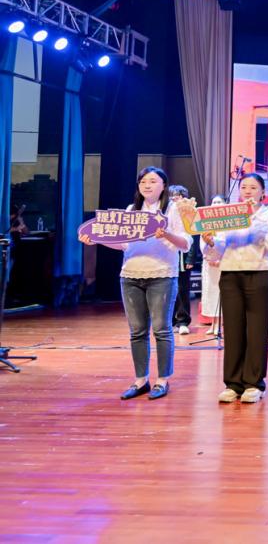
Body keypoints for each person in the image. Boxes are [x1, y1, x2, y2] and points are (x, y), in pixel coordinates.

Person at [78, 167, 191, 400]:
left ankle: (162, 380)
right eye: (143, 181)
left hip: (161, 275)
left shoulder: (173, 210)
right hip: (130, 275)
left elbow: (186, 244)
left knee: (161, 329)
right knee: (137, 331)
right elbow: (123, 244)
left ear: (164, 186)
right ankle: (141, 380)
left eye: (153, 181)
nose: (147, 185)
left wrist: (165, 234)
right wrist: (97, 239)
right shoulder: (131, 210)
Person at [202, 174, 268, 404]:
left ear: (262, 192)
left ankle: (254, 383)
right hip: (230, 274)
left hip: (259, 274)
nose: (248, 191)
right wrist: (210, 241)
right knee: (233, 330)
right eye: (244, 187)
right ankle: (233, 384)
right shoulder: (229, 214)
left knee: (257, 331)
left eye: (253, 187)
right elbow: (218, 249)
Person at [168, 185, 198, 335]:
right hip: (168, 258)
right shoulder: (166, 211)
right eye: (172, 196)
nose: (174, 198)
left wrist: (190, 258)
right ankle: (170, 322)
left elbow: (193, 236)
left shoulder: (189, 212)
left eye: (178, 196)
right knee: (168, 290)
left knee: (182, 290)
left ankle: (183, 321)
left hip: (183, 258)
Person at [200, 194, 226, 336]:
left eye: (219, 202)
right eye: (214, 202)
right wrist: (207, 256)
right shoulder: (206, 223)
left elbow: (228, 243)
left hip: (222, 264)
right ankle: (213, 323)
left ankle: (220, 324)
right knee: (210, 292)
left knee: (220, 293)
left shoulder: (228, 223)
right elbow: (202, 243)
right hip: (209, 264)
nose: (216, 204)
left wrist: (220, 259)